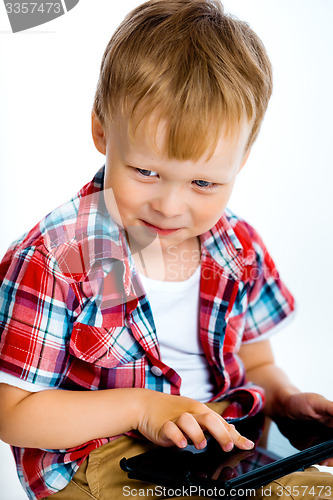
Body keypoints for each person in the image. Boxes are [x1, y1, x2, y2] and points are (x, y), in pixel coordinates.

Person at [0, 1, 332, 499]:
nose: (171, 206)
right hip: (103, 453)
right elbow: (14, 414)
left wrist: (284, 398)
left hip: (225, 448)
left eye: (203, 182)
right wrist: (144, 408)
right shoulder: (59, 256)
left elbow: (256, 360)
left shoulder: (237, 248)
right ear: (101, 131)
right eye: (146, 172)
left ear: (242, 160)